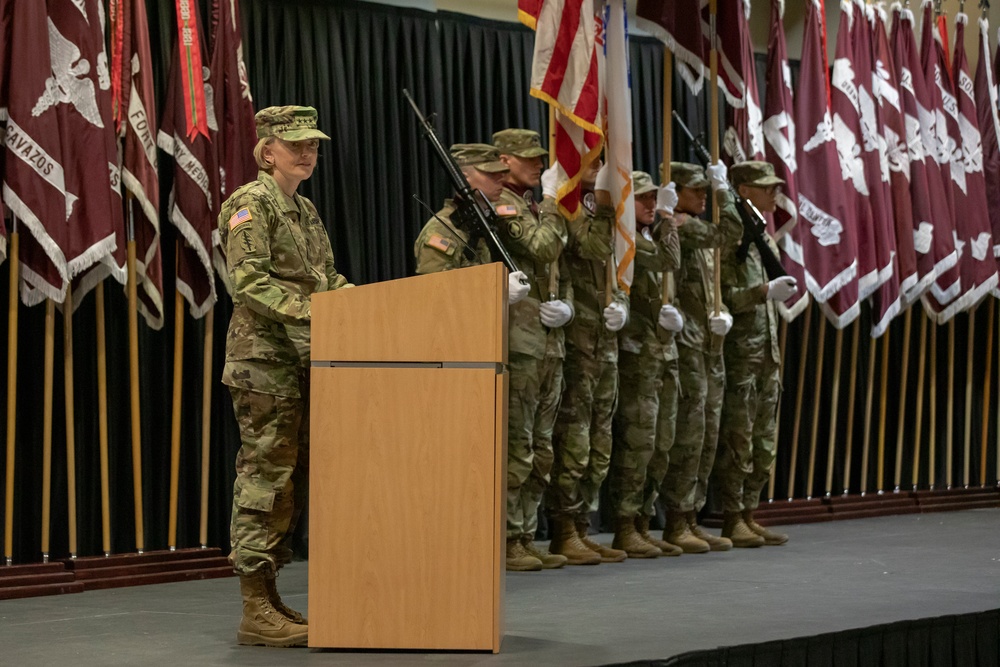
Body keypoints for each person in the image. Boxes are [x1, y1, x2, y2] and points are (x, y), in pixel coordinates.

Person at [219, 105, 353, 648]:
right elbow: (249, 284)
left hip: (302, 359)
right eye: (295, 144)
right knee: (264, 480)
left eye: (314, 145)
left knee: (289, 483)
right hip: (263, 362)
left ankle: (271, 596)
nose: (307, 153)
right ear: (267, 150)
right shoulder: (250, 204)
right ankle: (254, 605)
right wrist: (322, 312)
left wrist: (362, 305)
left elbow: (326, 276)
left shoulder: (305, 210)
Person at [492, 129, 573, 571]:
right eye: (529, 159)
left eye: (540, 158)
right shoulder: (505, 204)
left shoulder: (533, 207)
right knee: (518, 443)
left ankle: (526, 531)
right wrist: (553, 203)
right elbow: (542, 246)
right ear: (504, 160)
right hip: (520, 342)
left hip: (548, 342)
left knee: (542, 446)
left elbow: (560, 266)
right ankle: (508, 536)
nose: (539, 165)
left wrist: (569, 307)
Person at [546, 158, 630, 565]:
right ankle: (563, 529)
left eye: (603, 157)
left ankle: (582, 525)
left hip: (605, 343)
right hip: (578, 342)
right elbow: (595, 246)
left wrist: (624, 304)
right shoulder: (569, 207)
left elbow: (618, 266)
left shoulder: (606, 211)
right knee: (575, 442)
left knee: (600, 442)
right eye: (592, 157)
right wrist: (600, 195)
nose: (599, 163)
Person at [658, 161, 740, 554]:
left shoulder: (693, 227)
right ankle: (677, 518)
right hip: (687, 342)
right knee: (689, 434)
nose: (704, 196)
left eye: (708, 190)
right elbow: (731, 232)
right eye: (697, 190)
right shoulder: (681, 225)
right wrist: (726, 192)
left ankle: (691, 515)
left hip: (709, 342)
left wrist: (721, 311)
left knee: (707, 434)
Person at [714, 161, 796, 547]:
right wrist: (761, 294)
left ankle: (749, 512)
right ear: (744, 190)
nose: (774, 193)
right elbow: (721, 297)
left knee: (764, 441)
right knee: (739, 439)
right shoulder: (734, 236)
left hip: (767, 352)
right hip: (740, 353)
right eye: (766, 186)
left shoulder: (762, 233)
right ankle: (733, 517)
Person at [608, 171, 683, 558]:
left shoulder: (647, 236)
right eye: (644, 199)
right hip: (637, 355)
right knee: (638, 443)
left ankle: (641, 520)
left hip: (661, 353)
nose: (652, 206)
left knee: (661, 443)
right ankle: (624, 523)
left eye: (656, 199)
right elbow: (670, 259)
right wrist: (670, 218)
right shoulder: (627, 239)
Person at [413, 143, 530, 305]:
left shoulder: (490, 220)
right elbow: (434, 293)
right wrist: (494, 292)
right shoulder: (443, 230)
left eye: (501, 172)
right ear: (463, 176)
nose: (500, 179)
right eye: (490, 173)